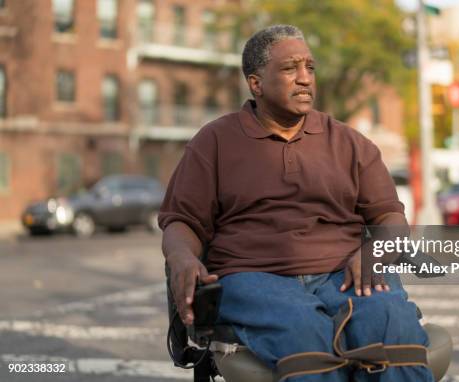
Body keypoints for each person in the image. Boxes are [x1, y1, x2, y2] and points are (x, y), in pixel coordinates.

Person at [159, 24, 433, 382]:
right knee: (306, 336)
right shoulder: (214, 141)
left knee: (391, 328)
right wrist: (181, 258)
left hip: (344, 272)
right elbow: (182, 222)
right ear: (256, 83)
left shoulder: (349, 143)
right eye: (290, 69)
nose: (305, 78)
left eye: (310, 68)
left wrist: (376, 251)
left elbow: (389, 216)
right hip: (254, 275)